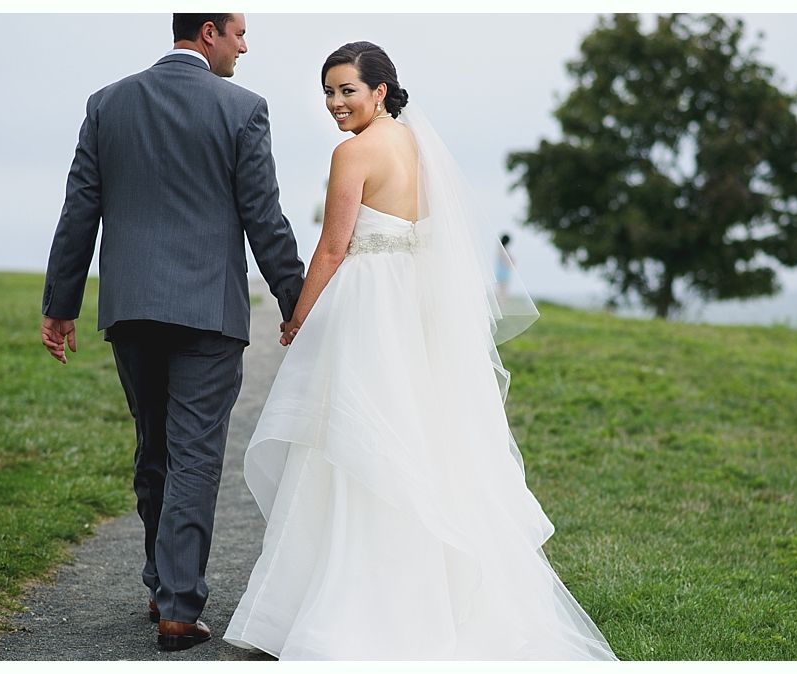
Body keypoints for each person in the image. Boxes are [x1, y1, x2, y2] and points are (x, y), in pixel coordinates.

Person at [223, 41, 616, 660]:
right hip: (412, 306)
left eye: (347, 90)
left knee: (353, 441)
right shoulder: (417, 146)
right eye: (328, 92)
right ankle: (429, 597)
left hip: (366, 308)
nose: (335, 104)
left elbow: (331, 248)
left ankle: (350, 605)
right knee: (418, 438)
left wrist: (298, 316)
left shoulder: (352, 153)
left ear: (380, 91)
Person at [39, 13, 304, 652]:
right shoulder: (243, 109)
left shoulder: (107, 104)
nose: (246, 43)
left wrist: (60, 304)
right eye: (238, 31)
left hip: (129, 309)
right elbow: (262, 216)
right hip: (208, 312)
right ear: (208, 31)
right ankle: (178, 608)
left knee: (153, 443)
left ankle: (163, 584)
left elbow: (80, 209)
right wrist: (297, 300)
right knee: (194, 452)